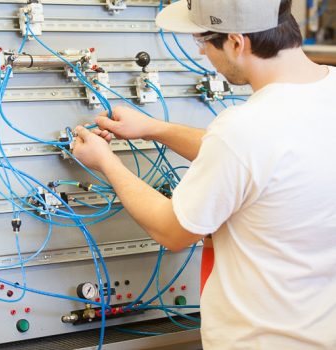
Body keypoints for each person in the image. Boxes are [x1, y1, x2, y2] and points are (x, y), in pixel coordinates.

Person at [72, 0, 336, 349]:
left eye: (203, 43)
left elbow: (172, 230)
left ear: (237, 42)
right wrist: (156, 129)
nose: (202, 54)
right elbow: (257, 163)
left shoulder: (244, 129)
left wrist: (106, 161)